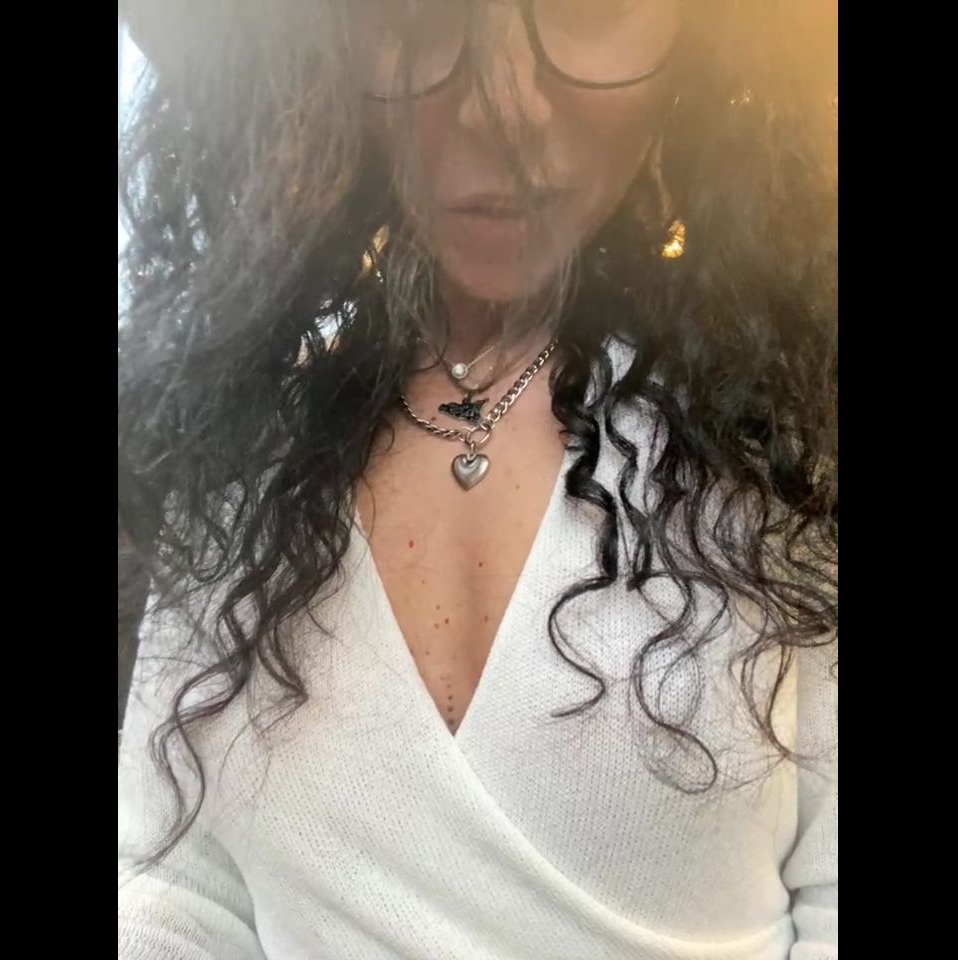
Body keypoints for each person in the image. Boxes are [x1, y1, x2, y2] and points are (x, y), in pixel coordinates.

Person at [117, 2, 838, 957]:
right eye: (414, 12)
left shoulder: (789, 438)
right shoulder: (244, 441)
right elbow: (174, 885)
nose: (506, 108)